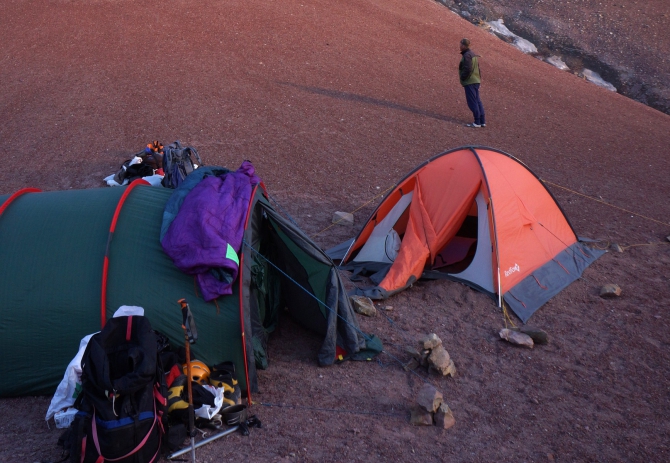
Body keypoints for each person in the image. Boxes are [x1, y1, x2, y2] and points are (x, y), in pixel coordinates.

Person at [458, 38, 486, 128]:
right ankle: (482, 121)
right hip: (476, 80)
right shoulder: (473, 54)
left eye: (460, 44)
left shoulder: (467, 55)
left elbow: (468, 68)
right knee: (477, 101)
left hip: (470, 81)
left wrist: (463, 77)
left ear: (464, 45)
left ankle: (477, 122)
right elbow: (477, 68)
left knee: (472, 101)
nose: (459, 46)